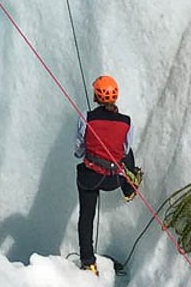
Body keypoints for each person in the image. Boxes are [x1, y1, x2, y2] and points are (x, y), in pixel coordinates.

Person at [74, 75, 141, 276]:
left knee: (86, 217)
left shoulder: (86, 118)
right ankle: (129, 189)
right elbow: (125, 149)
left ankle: (88, 263)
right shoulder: (126, 122)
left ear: (96, 96)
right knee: (128, 154)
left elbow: (78, 150)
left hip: (90, 178)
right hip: (114, 179)